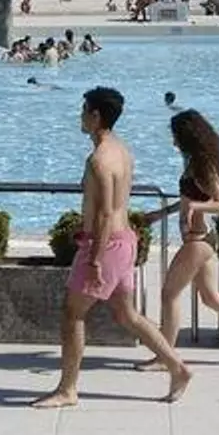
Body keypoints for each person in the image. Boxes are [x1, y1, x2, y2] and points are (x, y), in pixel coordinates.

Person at [33, 87, 191, 408]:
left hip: (105, 246)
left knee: (72, 314)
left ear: (96, 116)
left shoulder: (99, 160)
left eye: (83, 110)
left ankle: (67, 389)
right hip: (124, 241)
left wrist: (94, 259)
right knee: (126, 313)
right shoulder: (121, 149)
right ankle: (178, 368)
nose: (80, 116)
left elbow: (106, 212)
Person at [135, 110, 219, 371]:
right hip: (201, 239)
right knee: (210, 297)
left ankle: (165, 357)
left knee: (169, 295)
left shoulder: (203, 166)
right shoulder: (194, 162)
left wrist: (196, 207)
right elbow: (188, 199)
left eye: (175, 135)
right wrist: (161, 214)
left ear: (187, 136)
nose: (173, 141)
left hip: (198, 240)